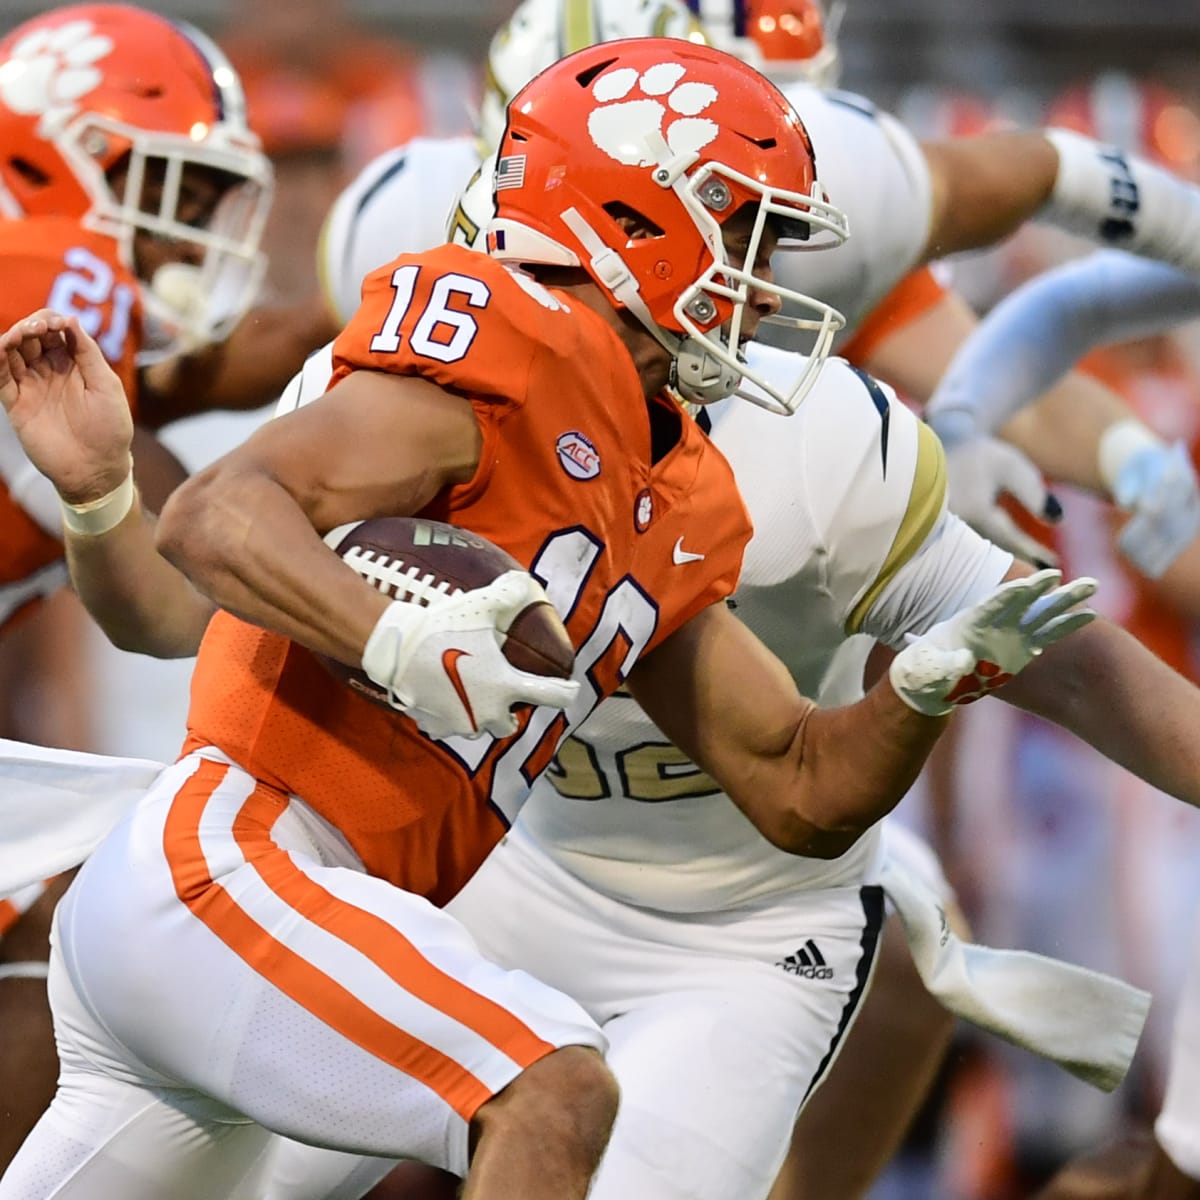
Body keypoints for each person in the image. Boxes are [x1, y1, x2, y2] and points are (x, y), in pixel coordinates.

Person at [0, 37, 1091, 1200]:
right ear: (635, 220)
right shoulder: (501, 336)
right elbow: (216, 517)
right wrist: (393, 637)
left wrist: (921, 690)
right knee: (553, 1086)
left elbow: (798, 789)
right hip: (232, 860)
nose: (764, 288)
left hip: (290, 900)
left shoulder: (677, 484)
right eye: (746, 236)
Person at [0, 1, 273, 1172]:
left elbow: (180, 381)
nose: (192, 232)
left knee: (70, 912)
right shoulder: (45, 270)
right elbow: (183, 563)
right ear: (50, 148)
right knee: (112, 910)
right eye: (178, 188)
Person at [919, 247, 1200, 1200]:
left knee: (1087, 1074)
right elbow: (1174, 571)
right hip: (1102, 756)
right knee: (1103, 1083)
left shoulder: (1061, 393)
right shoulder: (1115, 399)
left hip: (1056, 745)